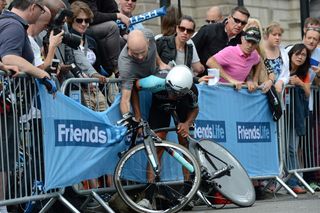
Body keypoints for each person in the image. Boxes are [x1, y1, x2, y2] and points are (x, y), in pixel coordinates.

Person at [118, 28, 169, 121]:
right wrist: (130, 122)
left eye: (143, 52)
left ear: (147, 43)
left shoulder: (149, 35)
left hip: (153, 74)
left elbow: (154, 49)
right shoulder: (125, 64)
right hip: (136, 84)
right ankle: (138, 119)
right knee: (133, 86)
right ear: (129, 49)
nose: (140, 57)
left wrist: (160, 63)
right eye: (135, 54)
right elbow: (125, 100)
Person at [66, 0, 108, 111]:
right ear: (71, 20)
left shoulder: (92, 41)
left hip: (95, 89)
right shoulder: (67, 39)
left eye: (87, 20)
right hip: (78, 89)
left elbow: (99, 66)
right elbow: (70, 64)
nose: (83, 24)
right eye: (79, 20)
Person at [75, 0, 130, 76]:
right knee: (112, 26)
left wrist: (124, 33)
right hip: (79, 27)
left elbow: (113, 10)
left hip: (97, 29)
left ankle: (126, 73)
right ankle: (117, 69)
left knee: (122, 41)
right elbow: (93, 16)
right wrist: (117, 15)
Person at [192, 6, 250, 75]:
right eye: (236, 20)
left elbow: (252, 61)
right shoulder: (209, 30)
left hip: (228, 82)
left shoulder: (244, 39)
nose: (239, 25)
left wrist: (251, 79)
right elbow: (190, 48)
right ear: (229, 18)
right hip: (203, 79)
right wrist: (196, 64)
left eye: (243, 23)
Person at [286, 43, 311, 194]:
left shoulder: (304, 71)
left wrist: (299, 83)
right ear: (291, 54)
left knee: (292, 148)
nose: (300, 57)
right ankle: (288, 179)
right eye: (297, 54)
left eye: (303, 55)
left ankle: (294, 181)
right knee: (283, 149)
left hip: (295, 114)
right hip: (281, 112)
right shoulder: (283, 67)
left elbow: (308, 91)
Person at [206, 27, 262, 91]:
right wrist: (231, 80)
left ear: (257, 44)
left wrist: (254, 80)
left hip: (238, 91)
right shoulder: (230, 51)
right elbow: (210, 62)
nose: (250, 45)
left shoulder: (254, 54)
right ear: (242, 39)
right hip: (220, 89)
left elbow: (259, 62)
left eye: (253, 43)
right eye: (248, 41)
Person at [27, 5, 63, 70]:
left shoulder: (29, 39)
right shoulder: (28, 39)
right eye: (45, 25)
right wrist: (52, 46)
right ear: (36, 20)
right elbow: (41, 69)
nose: (45, 29)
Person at [263, 22, 289, 94]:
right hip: (261, 90)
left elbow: (286, 74)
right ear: (267, 35)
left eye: (279, 35)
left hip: (277, 93)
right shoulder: (260, 51)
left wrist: (281, 81)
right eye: (274, 35)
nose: (277, 37)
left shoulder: (283, 53)